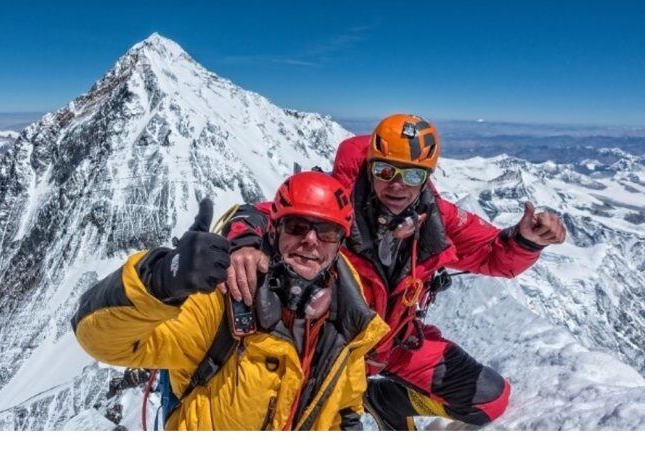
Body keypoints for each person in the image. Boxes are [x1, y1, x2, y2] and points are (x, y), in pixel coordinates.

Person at [220, 114, 567, 429]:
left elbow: (493, 255)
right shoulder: (338, 199)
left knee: (490, 400)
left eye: (412, 175)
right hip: (332, 346)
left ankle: (385, 400)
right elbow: (266, 215)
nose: (397, 185)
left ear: (427, 178)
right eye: (385, 171)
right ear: (370, 167)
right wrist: (245, 242)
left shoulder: (436, 219)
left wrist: (526, 241)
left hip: (396, 342)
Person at [72, 171, 389, 430]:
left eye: (327, 233)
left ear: (340, 245)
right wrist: (157, 281)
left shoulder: (346, 314)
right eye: (297, 227)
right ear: (275, 231)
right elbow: (101, 341)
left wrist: (347, 424)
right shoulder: (224, 299)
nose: (310, 241)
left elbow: (346, 395)